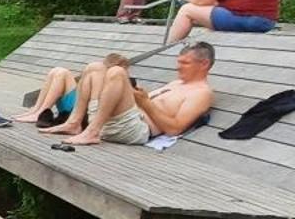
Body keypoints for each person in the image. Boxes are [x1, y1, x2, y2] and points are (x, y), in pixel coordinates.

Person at [44, 41, 216, 146]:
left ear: (204, 64)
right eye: (178, 62)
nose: (178, 67)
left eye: (185, 63)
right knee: (95, 68)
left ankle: (92, 132)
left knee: (117, 72)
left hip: (134, 129)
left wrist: (145, 103)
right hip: (116, 119)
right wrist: (135, 94)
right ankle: (74, 123)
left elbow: (175, 129)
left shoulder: (201, 93)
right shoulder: (175, 83)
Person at [12, 53, 129, 123]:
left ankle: (40, 112)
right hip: (77, 105)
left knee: (62, 73)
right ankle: (36, 110)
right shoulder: (110, 78)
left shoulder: (117, 82)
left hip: (77, 109)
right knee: (57, 71)